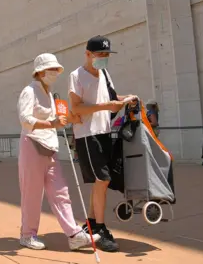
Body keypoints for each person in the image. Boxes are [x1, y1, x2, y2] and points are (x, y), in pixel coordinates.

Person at [17, 53, 100, 251]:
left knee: (61, 192)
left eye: (56, 69)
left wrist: (73, 119)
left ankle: (74, 235)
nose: (55, 73)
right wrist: (50, 124)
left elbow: (59, 118)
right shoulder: (29, 92)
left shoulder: (51, 95)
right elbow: (25, 119)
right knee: (32, 194)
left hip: (51, 147)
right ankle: (27, 235)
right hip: (33, 145)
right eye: (51, 69)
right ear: (40, 72)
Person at [68, 35, 137, 252]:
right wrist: (104, 106)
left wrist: (126, 99)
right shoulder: (76, 75)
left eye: (107, 55)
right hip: (88, 135)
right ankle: (101, 229)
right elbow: (76, 108)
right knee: (103, 180)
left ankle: (91, 225)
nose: (104, 58)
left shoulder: (105, 73)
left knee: (101, 182)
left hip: (105, 132)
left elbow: (113, 101)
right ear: (88, 54)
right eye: (100, 54)